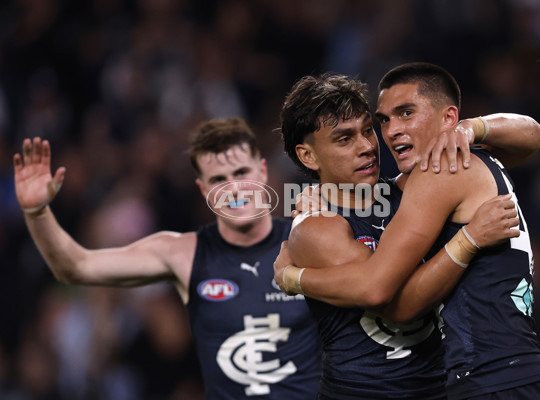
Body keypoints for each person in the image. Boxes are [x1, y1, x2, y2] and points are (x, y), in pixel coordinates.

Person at [276, 63, 540, 399]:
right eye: (344, 139)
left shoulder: (412, 192)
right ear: (308, 156)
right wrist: (468, 240)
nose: (367, 146)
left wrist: (471, 128)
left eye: (368, 130)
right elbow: (381, 294)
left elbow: (531, 136)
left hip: (443, 389)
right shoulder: (316, 226)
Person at [13, 117, 322, 400]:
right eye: (218, 179)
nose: (234, 188)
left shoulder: (311, 241)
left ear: (263, 172)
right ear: (203, 189)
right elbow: (75, 266)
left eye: (241, 172)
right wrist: (37, 212)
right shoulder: (181, 253)